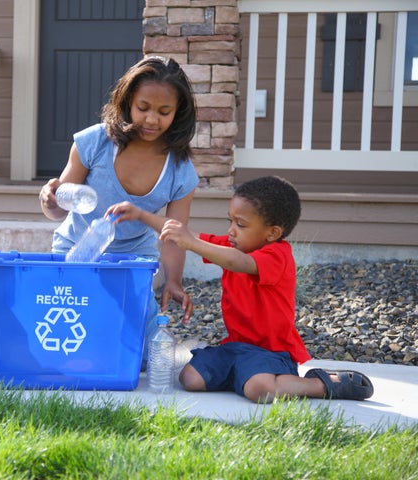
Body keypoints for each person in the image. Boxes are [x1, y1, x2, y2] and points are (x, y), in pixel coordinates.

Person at [123, 175, 372, 403]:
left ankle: (320, 383)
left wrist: (191, 243)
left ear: (273, 232)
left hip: (271, 352)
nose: (231, 230)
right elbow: (183, 232)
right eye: (229, 220)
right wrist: (140, 214)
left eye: (240, 224)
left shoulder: (277, 255)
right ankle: (243, 376)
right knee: (190, 379)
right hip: (235, 347)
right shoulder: (233, 246)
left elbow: (236, 262)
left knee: (261, 392)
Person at [39, 56, 201, 367]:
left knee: (145, 359)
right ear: (127, 102)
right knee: (73, 337)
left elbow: (173, 235)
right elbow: (60, 209)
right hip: (76, 252)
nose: (152, 119)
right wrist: (50, 201)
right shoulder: (94, 143)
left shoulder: (180, 170)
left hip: (133, 262)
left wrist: (173, 281)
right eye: (143, 108)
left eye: (164, 112)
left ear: (178, 113)